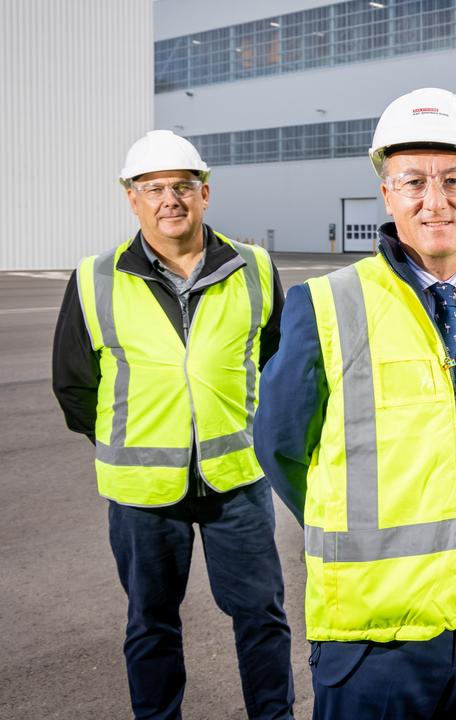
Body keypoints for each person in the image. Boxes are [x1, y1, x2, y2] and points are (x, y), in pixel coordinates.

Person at [254, 88, 456, 719]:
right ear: (386, 194)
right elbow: (281, 445)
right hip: (371, 637)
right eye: (412, 180)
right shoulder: (327, 305)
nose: (434, 200)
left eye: (453, 179)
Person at [51, 130, 293, 719]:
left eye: (182, 187)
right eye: (153, 188)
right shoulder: (96, 279)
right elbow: (75, 385)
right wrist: (134, 441)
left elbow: (276, 361)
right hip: (142, 493)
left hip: (236, 481)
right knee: (151, 624)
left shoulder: (253, 268)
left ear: (205, 194)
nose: (169, 200)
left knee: (261, 617)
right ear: (132, 199)